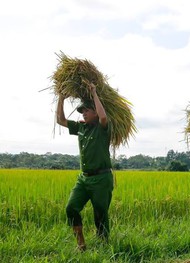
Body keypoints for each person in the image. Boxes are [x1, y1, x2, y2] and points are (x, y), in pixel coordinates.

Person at [56, 82, 114, 251]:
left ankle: (104, 244)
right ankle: (81, 244)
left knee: (100, 214)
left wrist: (94, 93)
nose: (83, 113)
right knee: (71, 208)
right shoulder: (81, 127)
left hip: (102, 179)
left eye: (86, 110)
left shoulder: (103, 129)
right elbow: (61, 120)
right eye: (82, 111)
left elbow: (104, 118)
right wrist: (61, 97)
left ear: (95, 112)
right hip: (84, 178)